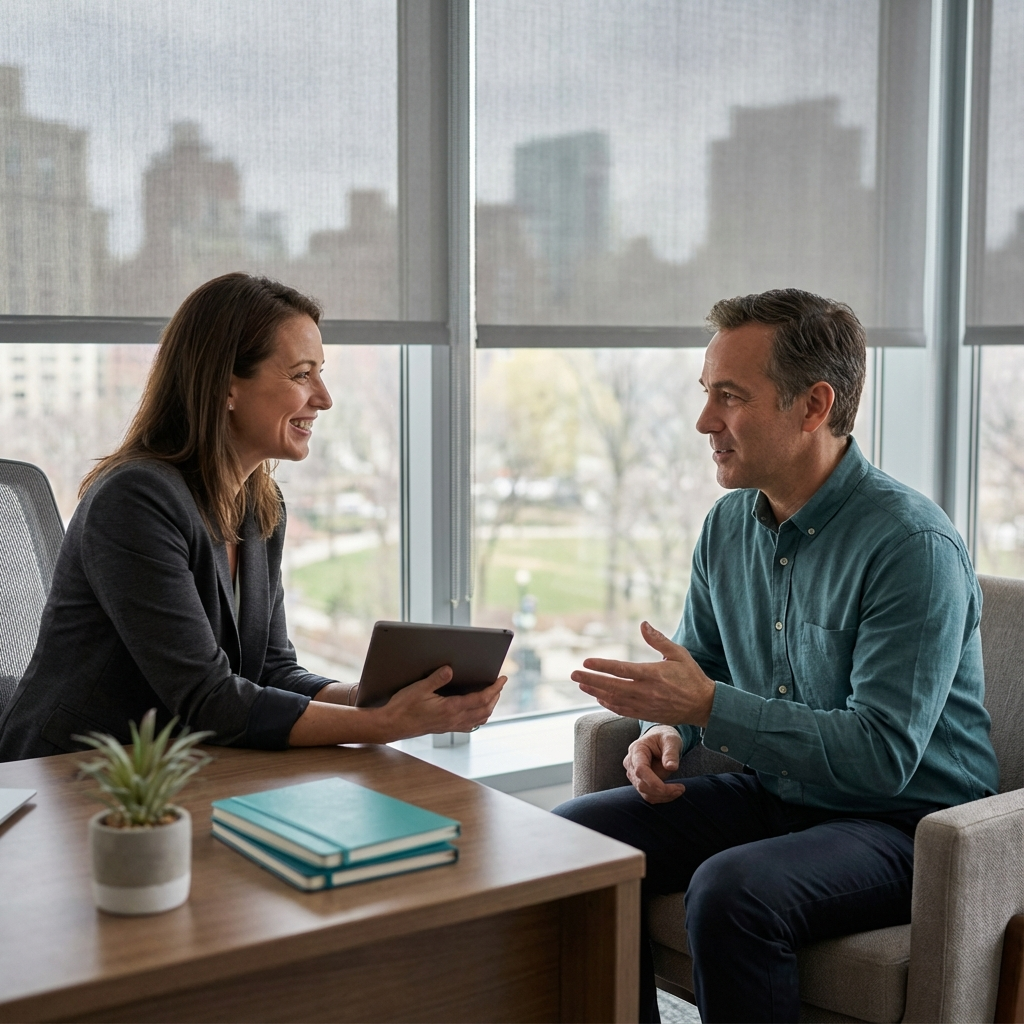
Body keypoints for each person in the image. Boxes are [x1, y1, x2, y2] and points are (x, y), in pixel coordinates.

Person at [553, 289, 999, 1024]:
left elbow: (882, 754)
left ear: (814, 405)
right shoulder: (727, 526)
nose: (705, 421)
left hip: (908, 823)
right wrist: (667, 729)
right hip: (780, 794)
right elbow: (704, 663)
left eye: (729, 397)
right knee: (570, 845)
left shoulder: (911, 546)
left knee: (733, 892)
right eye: (706, 393)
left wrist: (705, 706)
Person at [0, 273, 505, 760]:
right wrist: (384, 725)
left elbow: (271, 670)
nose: (324, 398)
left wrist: (372, 699)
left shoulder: (261, 507)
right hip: (73, 778)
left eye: (321, 373)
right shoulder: (135, 500)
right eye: (302, 374)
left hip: (187, 768)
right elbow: (209, 699)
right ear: (226, 386)